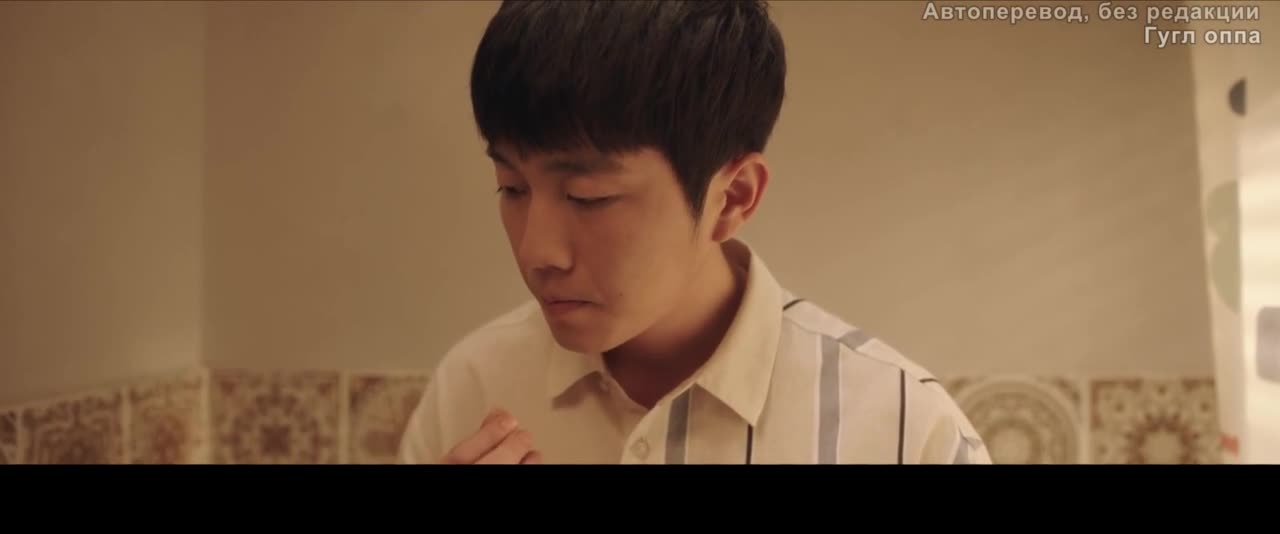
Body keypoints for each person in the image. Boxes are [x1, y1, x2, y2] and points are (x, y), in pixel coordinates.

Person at [398, 0, 991, 465]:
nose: (536, 251)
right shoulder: (472, 388)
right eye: (511, 188)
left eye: (587, 197)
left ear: (732, 198)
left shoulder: (906, 430)